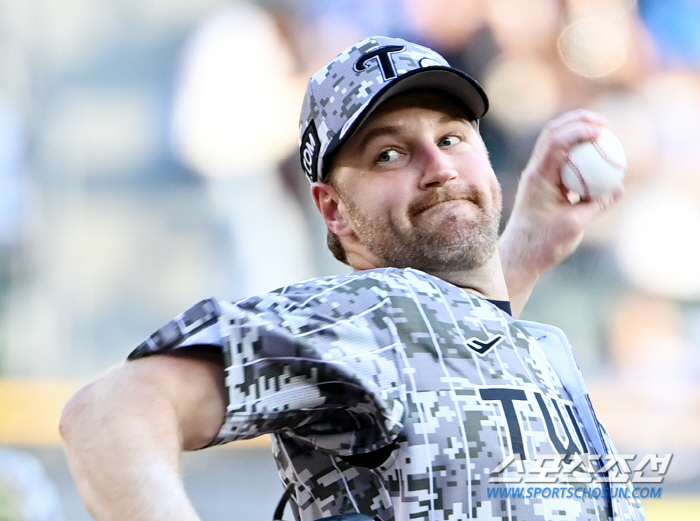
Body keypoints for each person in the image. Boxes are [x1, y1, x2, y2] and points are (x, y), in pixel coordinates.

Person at [59, 36, 643, 521]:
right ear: (334, 209)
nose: (438, 167)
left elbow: (458, 345)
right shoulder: (362, 311)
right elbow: (109, 409)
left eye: (451, 138)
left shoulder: (512, 340)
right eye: (390, 154)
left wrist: (530, 245)